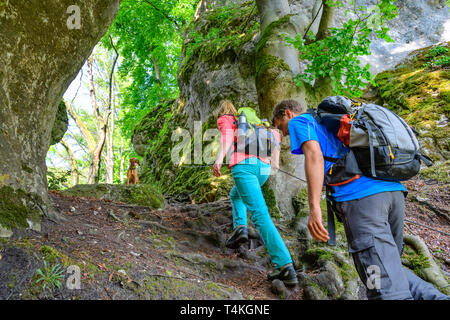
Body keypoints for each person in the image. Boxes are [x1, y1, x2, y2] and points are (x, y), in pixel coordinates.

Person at [272, 99, 449, 300]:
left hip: (363, 201)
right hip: (393, 193)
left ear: (287, 113)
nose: (283, 133)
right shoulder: (331, 123)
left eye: (278, 125)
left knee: (382, 288)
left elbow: (314, 155)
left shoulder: (300, 121)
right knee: (390, 270)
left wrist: (314, 209)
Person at [212, 99, 298, 285]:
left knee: (260, 215)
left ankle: (285, 266)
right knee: (236, 195)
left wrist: (218, 160)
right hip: (263, 169)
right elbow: (275, 137)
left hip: (244, 168)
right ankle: (240, 228)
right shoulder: (257, 122)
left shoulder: (226, 119)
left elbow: (226, 137)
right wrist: (273, 166)